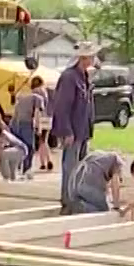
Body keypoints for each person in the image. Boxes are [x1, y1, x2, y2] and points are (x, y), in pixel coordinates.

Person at [50, 44, 97, 212]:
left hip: (83, 130)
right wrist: (67, 131)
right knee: (70, 167)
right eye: (89, 57)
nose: (91, 60)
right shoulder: (69, 77)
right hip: (73, 130)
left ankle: (76, 198)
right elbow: (62, 106)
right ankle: (68, 201)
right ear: (82, 58)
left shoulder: (85, 77)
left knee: (81, 168)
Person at [11, 77, 52, 174]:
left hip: (16, 122)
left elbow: (15, 109)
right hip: (30, 122)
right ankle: (27, 168)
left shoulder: (24, 97)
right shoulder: (40, 96)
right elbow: (38, 112)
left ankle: (18, 166)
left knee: (21, 145)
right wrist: (38, 127)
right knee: (32, 146)